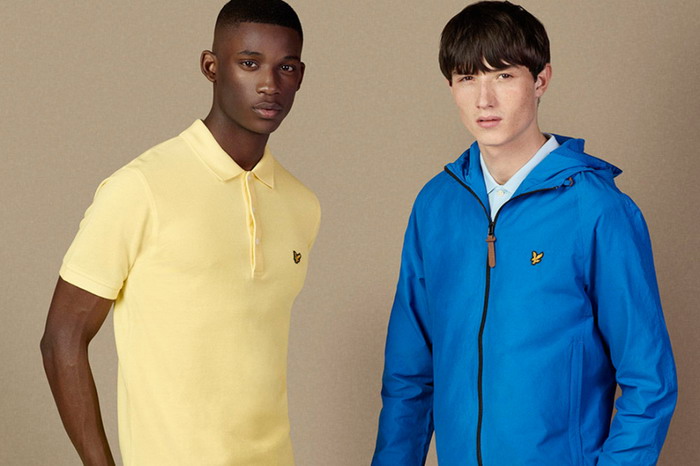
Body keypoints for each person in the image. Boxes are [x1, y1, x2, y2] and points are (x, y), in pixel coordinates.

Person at [371, 2, 677, 465]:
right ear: (451, 86)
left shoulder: (597, 209)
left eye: (503, 76)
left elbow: (649, 380)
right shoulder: (436, 205)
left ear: (540, 80)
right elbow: (408, 376)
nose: (484, 100)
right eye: (467, 78)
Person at [40, 1, 320, 464]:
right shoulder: (141, 188)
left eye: (285, 67)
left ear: (300, 76)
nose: (269, 84)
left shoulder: (301, 204)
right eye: (249, 63)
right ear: (211, 67)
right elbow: (62, 338)